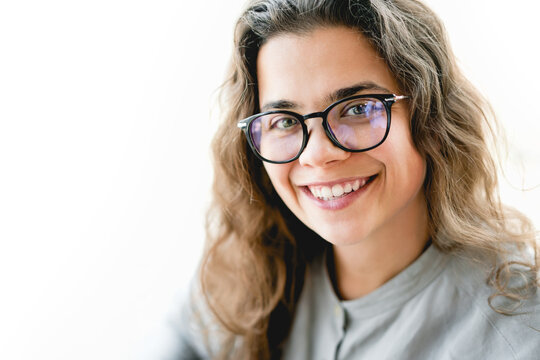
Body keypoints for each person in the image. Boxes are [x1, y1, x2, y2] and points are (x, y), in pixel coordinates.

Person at [176, 0, 540, 359]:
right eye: (285, 121)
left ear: (429, 117)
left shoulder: (520, 332)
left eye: (358, 108)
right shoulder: (246, 271)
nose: (317, 155)